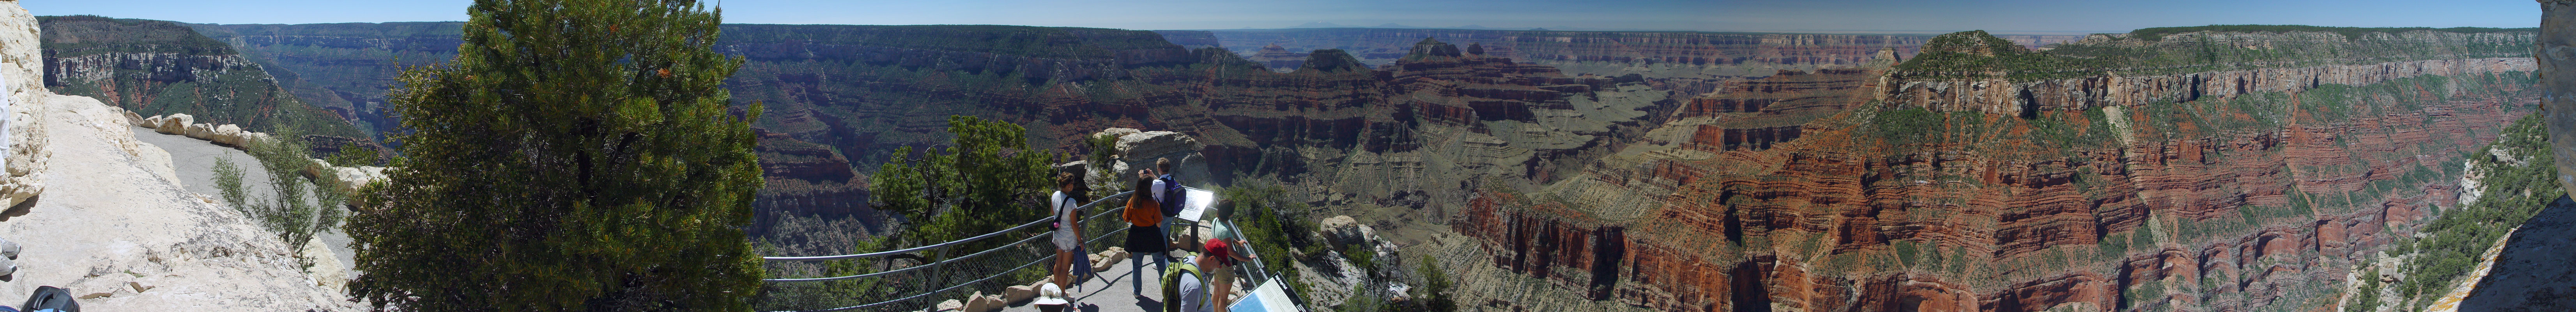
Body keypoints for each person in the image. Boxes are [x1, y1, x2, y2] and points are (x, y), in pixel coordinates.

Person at [1121, 171, 1170, 298]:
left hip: (1137, 236)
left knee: (1137, 265)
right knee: (1160, 263)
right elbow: (1159, 224)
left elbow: (1126, 219)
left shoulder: (1132, 202)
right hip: (1153, 235)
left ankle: (1137, 292)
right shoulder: (1154, 204)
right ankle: (1167, 291)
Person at [1048, 172, 1088, 305]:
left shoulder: (1054, 195)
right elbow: (1074, 224)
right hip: (1069, 238)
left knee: (1058, 264)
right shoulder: (1072, 203)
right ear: (1069, 186)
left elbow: (1053, 213)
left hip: (1058, 235)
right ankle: (1063, 295)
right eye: (1072, 184)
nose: (1073, 186)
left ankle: (1057, 292)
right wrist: (1080, 241)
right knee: (1065, 267)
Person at [1198, 238, 1253, 312]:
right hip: (1225, 273)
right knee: (1223, 299)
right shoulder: (1195, 286)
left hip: (1219, 271)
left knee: (1216, 292)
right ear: (1212, 259)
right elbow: (1232, 253)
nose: (1220, 267)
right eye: (1221, 263)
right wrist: (1247, 259)